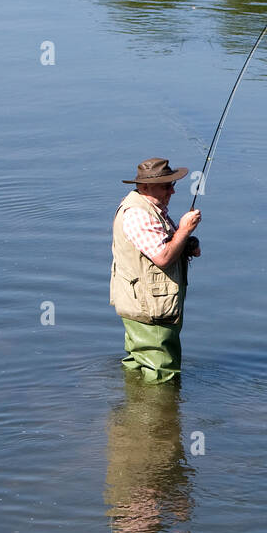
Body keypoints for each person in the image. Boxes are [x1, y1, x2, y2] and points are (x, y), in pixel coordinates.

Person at [109, 158, 202, 382]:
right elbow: (162, 257)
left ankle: (133, 413)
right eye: (166, 185)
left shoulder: (151, 208)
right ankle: (159, 416)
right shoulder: (139, 214)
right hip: (150, 309)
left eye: (172, 185)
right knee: (162, 375)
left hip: (140, 304)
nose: (172, 191)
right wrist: (184, 230)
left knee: (138, 362)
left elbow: (156, 247)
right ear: (144, 187)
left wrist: (185, 241)